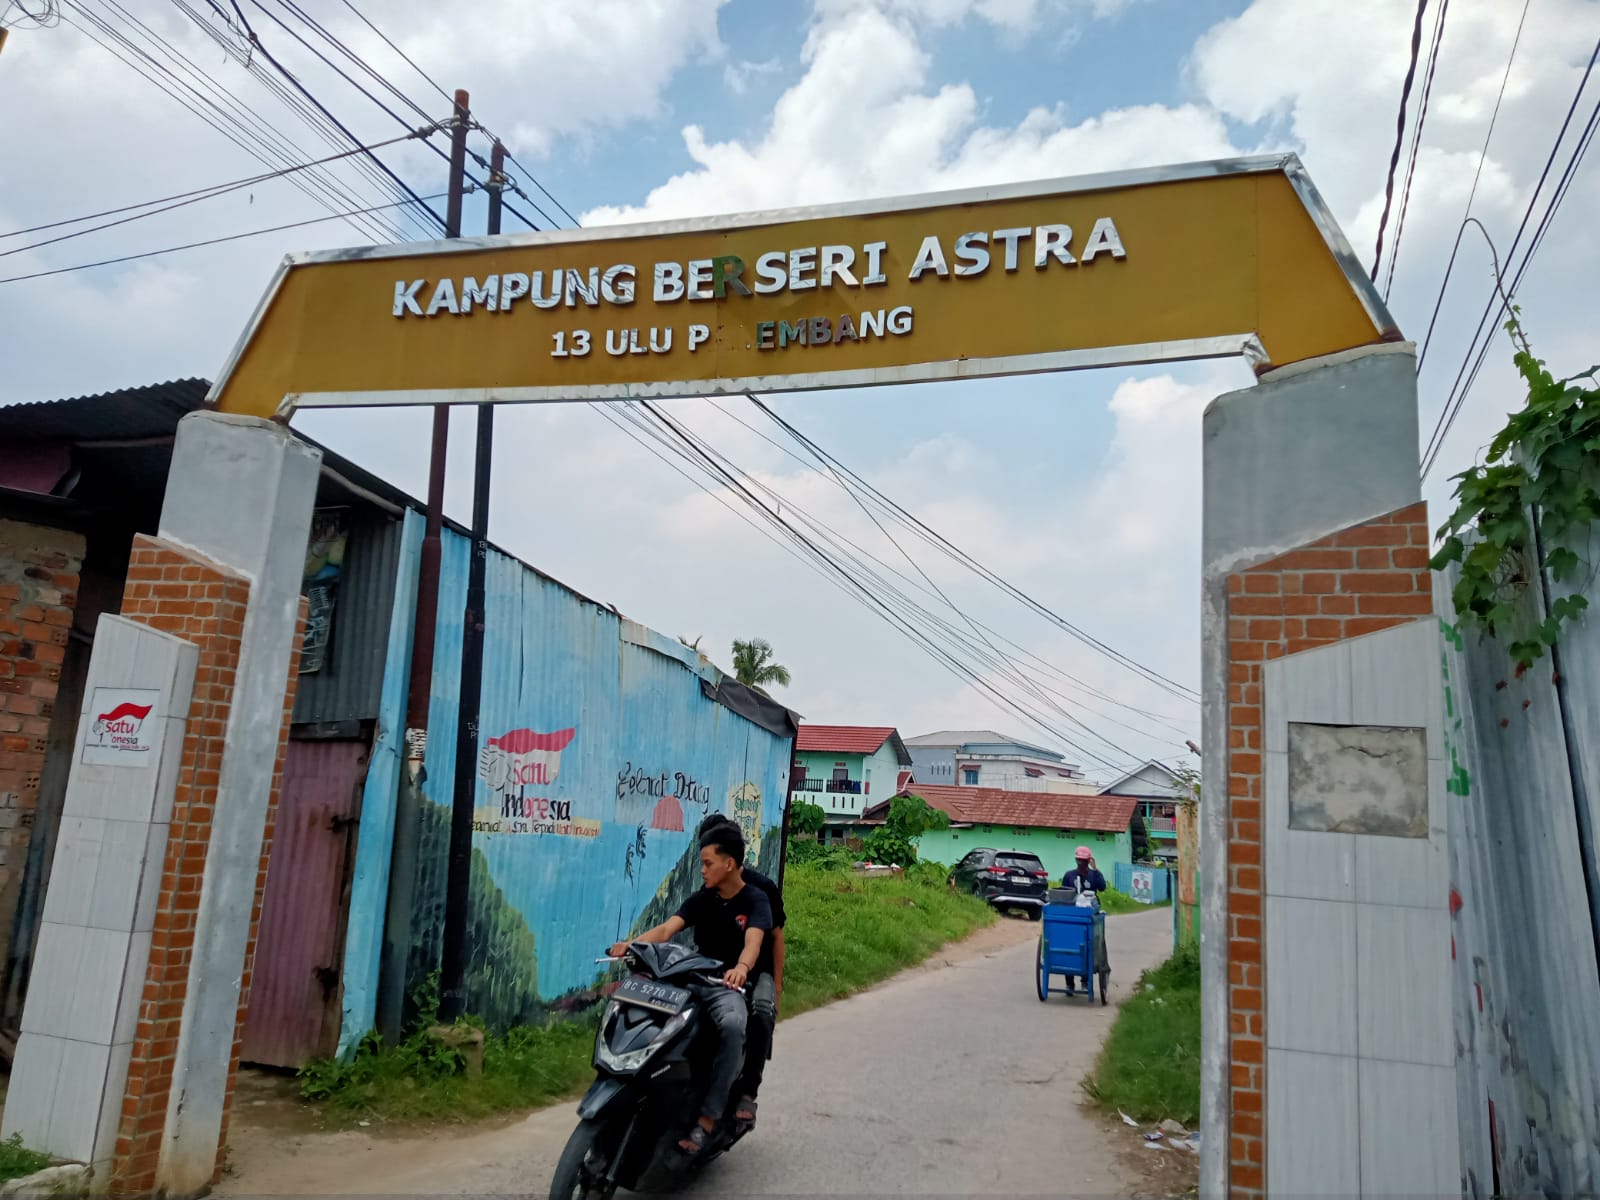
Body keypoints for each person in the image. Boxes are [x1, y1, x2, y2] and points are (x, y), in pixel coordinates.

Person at [609, 822, 770, 1156]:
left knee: (732, 1025)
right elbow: (668, 928)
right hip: (691, 979)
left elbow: (754, 942)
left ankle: (708, 1119)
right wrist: (631, 945)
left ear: (729, 864)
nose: (703, 869)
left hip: (726, 987)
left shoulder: (756, 900)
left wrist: (741, 969)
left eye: (708, 863)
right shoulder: (703, 898)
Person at [696, 813, 785, 1128]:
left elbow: (775, 937)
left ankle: (748, 1091)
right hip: (708, 968)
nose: (705, 866)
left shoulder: (761, 890)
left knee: (761, 1011)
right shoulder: (706, 887)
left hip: (753, 971)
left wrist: (776, 984)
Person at [1061, 847, 1109, 996]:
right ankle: (1069, 984)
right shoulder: (1069, 876)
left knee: (1088, 948)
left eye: (1084, 861)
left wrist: (1096, 869)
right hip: (1072, 917)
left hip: (1089, 919)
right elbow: (1063, 894)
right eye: (1079, 861)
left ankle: (1085, 980)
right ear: (1076, 860)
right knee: (1069, 947)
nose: (1081, 864)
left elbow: (1102, 887)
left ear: (1089, 861)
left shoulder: (1094, 876)